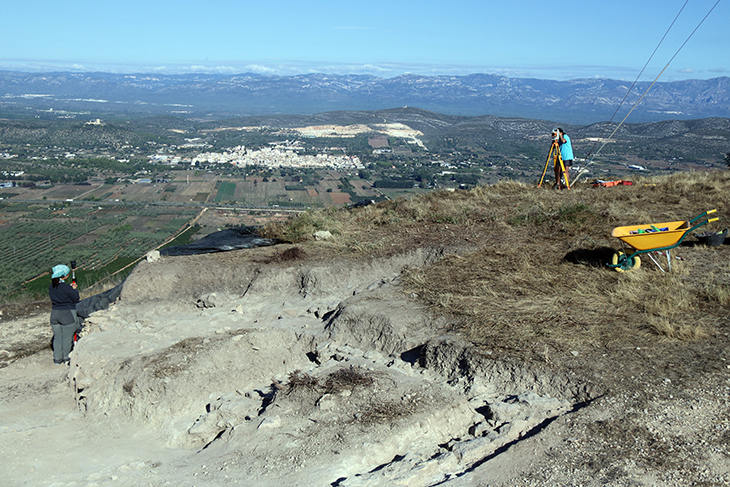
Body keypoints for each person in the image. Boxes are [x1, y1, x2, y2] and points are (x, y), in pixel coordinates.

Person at [49, 264, 80, 365]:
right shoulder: (67, 288)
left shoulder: (51, 286)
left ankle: (57, 359)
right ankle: (67, 358)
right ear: (65, 276)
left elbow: (60, 292)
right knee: (67, 338)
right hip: (66, 314)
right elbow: (75, 299)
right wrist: (74, 289)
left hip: (54, 314)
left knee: (57, 337)